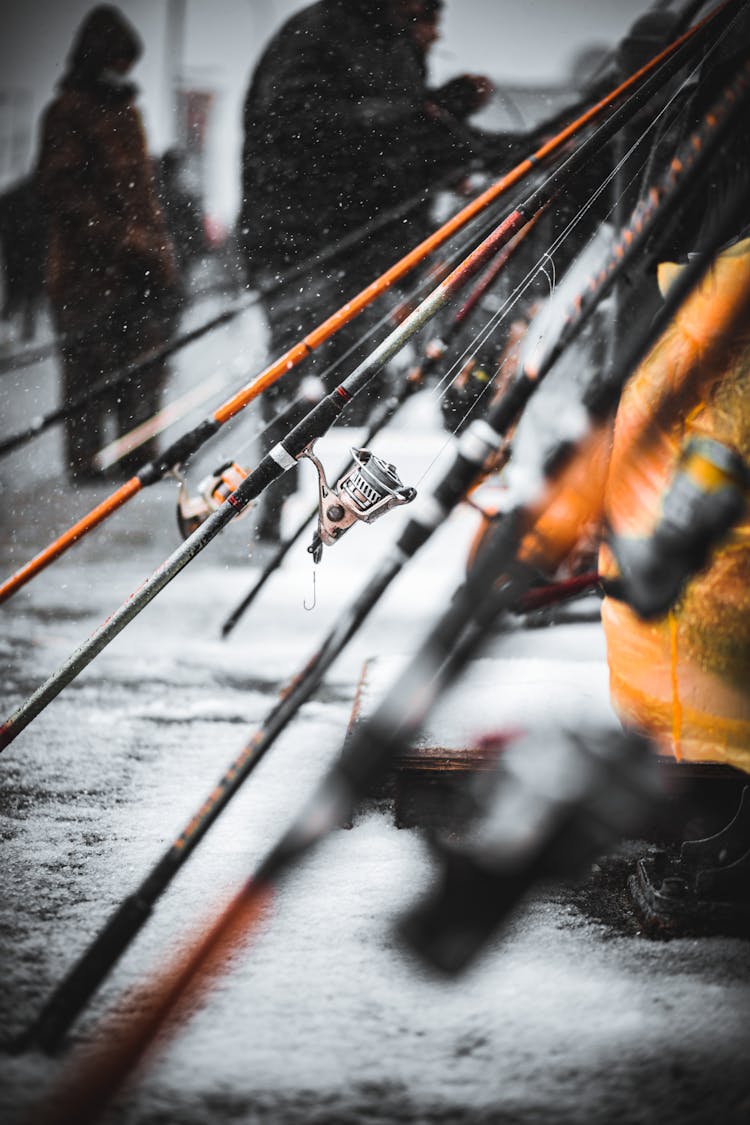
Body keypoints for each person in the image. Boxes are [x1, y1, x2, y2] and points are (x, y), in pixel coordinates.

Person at [239, 0, 512, 542]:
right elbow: (310, 129)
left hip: (369, 251)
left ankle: (328, 515)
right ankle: (276, 506)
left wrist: (445, 119)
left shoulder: (388, 41)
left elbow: (396, 140)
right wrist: (423, 118)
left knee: (357, 382)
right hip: (306, 246)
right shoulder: (322, 31)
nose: (433, 33)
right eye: (426, 17)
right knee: (298, 377)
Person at [36, 5, 179, 483]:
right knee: (87, 372)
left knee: (140, 362)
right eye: (118, 58)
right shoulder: (69, 112)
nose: (125, 68)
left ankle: (136, 452)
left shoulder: (126, 111)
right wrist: (124, 239)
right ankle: (87, 461)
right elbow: (62, 193)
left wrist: (153, 250)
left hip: (133, 271)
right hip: (84, 275)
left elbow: (141, 196)